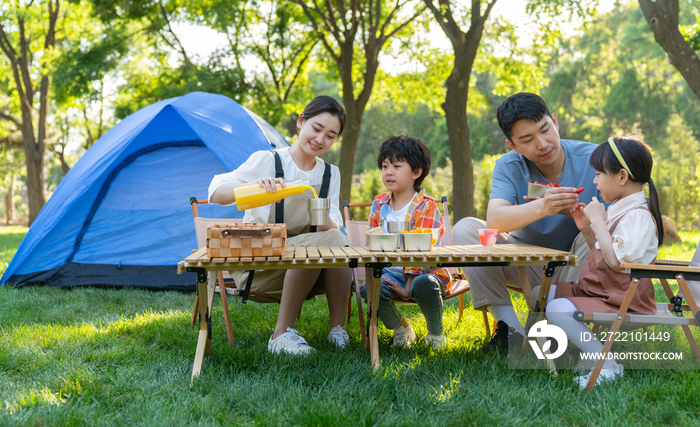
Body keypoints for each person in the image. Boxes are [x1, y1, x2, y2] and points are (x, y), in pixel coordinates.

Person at [452, 92, 604, 352]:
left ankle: (570, 320)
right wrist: (544, 206)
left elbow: (617, 223)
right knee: (466, 228)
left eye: (545, 130)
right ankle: (512, 332)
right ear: (513, 146)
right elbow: (496, 219)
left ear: (555, 122)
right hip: (526, 264)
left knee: (588, 234)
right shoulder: (508, 165)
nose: (542, 144)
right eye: (527, 140)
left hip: (578, 264)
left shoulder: (595, 159)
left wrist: (576, 214)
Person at [208, 95, 353, 354]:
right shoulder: (269, 161)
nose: (320, 140)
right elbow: (216, 192)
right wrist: (253, 187)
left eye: (330, 136)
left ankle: (337, 330)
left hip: (309, 270)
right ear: (301, 122)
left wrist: (319, 214)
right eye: (316, 129)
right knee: (331, 243)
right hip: (261, 268)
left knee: (334, 242)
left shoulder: (331, 174)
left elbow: (333, 229)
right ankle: (280, 334)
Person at [532, 136, 663, 388]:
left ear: (622, 177)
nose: (594, 181)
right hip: (604, 292)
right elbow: (603, 252)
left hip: (623, 299)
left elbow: (616, 264)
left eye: (599, 174)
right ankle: (589, 351)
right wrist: (587, 228)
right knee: (541, 293)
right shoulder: (619, 209)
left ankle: (606, 363)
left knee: (557, 309)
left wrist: (599, 222)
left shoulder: (637, 217)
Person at [360, 135, 450, 349]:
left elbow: (421, 249)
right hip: (390, 272)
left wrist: (408, 287)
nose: (388, 172)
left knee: (424, 283)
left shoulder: (427, 206)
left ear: (416, 172)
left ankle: (436, 334)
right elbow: (372, 240)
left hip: (426, 272)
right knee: (369, 288)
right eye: (384, 166)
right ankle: (401, 326)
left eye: (397, 166)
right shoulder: (379, 203)